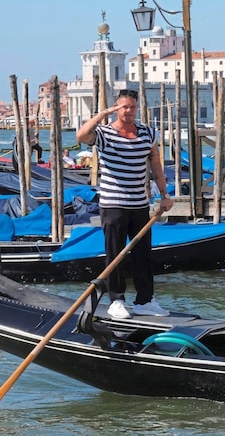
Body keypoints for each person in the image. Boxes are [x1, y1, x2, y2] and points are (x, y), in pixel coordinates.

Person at [76, 89, 174, 319]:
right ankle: (116, 300)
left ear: (137, 108)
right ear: (117, 108)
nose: (128, 111)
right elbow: (81, 136)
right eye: (124, 107)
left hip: (140, 203)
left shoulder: (148, 133)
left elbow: (156, 164)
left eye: (132, 107)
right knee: (115, 253)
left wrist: (164, 194)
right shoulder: (104, 134)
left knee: (143, 253)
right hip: (113, 204)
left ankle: (145, 301)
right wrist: (103, 114)